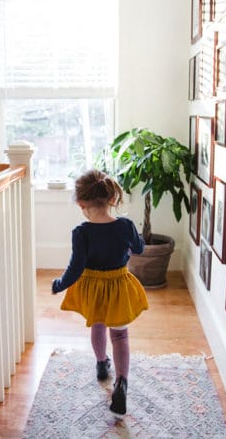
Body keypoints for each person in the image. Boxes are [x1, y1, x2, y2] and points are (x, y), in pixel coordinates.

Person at [51, 169, 149, 415]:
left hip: (93, 288)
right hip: (118, 286)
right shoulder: (125, 225)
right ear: (112, 199)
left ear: (81, 202)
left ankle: (101, 364)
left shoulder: (81, 232)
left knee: (97, 324)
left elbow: (75, 267)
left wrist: (61, 284)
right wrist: (137, 241)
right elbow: (138, 249)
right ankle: (122, 383)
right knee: (120, 335)